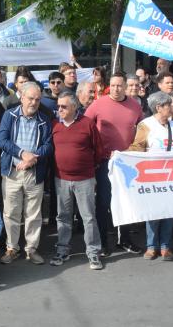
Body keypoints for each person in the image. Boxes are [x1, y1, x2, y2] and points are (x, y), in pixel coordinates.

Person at [128, 91, 173, 261]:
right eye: (169, 104)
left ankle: (165, 246)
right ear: (159, 107)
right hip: (153, 177)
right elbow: (137, 147)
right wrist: (121, 155)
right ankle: (151, 246)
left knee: (169, 212)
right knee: (153, 213)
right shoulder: (146, 125)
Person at [85, 72, 143, 256]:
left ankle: (124, 239)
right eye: (113, 85)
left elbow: (143, 131)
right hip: (104, 162)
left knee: (126, 202)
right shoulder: (98, 104)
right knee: (103, 203)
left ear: (126, 86)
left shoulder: (135, 106)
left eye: (120, 85)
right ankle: (102, 242)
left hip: (126, 163)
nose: (116, 89)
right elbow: (86, 127)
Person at [0, 82, 53, 265]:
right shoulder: (9, 116)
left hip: (34, 172)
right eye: (30, 98)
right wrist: (22, 154)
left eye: (37, 99)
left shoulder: (44, 120)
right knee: (11, 212)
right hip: (12, 172)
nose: (34, 102)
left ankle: (31, 249)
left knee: (33, 214)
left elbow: (48, 146)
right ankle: (12, 248)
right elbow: (1, 140)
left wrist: (32, 158)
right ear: (21, 97)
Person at [50, 92, 104, 269]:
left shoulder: (87, 124)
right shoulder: (55, 125)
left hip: (85, 179)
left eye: (64, 106)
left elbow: (98, 150)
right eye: (58, 106)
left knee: (88, 217)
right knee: (63, 217)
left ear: (74, 107)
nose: (60, 109)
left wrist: (88, 168)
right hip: (61, 179)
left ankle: (93, 253)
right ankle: (63, 249)